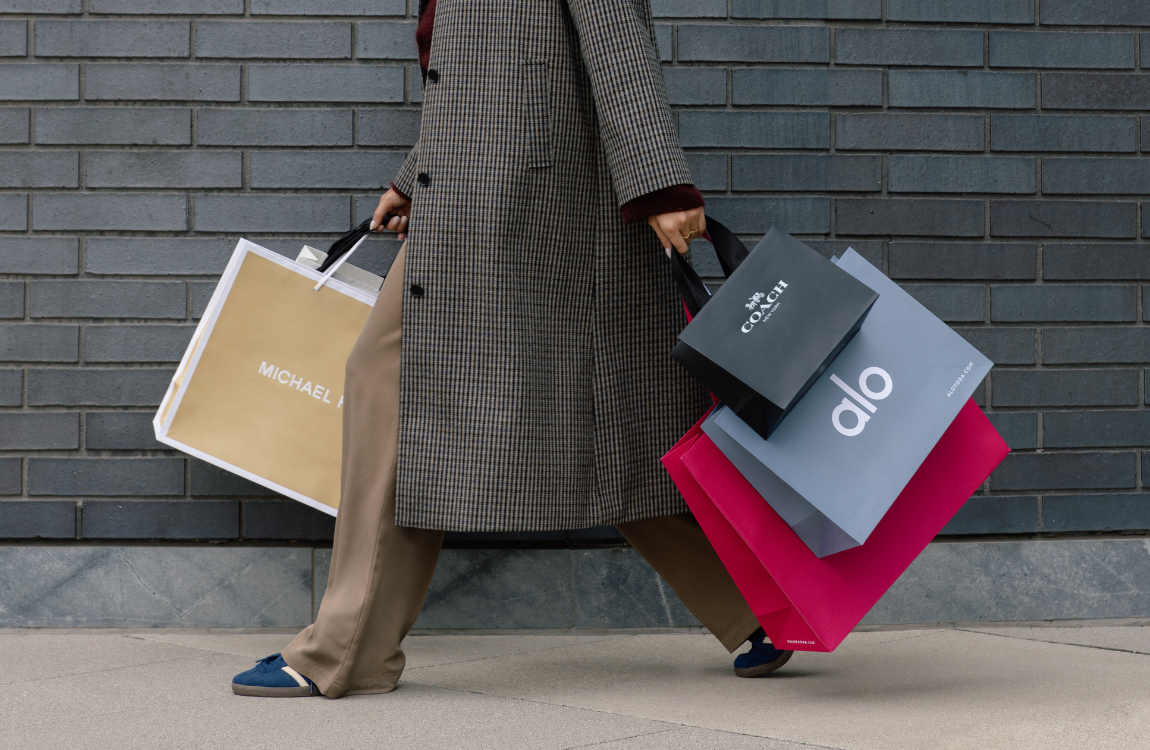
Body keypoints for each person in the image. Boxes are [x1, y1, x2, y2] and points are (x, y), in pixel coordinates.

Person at [231, 0, 791, 698]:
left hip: (523, 214)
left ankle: (344, 651)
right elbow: (482, 78)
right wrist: (416, 177)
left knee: (393, 382)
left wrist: (662, 182)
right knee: (605, 417)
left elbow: (616, 39)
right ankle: (763, 615)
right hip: (502, 208)